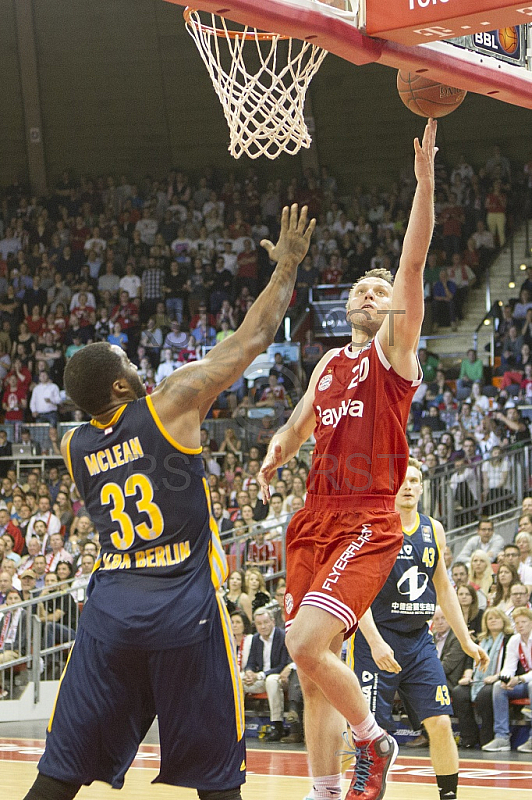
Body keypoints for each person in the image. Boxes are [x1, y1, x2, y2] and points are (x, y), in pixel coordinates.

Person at [22, 203, 316, 800]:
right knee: (216, 778)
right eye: (128, 361)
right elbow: (254, 337)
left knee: (59, 774)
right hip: (184, 608)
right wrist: (286, 266)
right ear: (121, 385)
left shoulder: (73, 446)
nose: (138, 363)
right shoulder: (170, 402)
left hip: (109, 616)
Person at [258, 120, 439, 800]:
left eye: (380, 291)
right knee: (309, 672)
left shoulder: (394, 355)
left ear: (393, 309)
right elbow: (301, 422)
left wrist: (423, 187)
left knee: (307, 643)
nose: (371, 294)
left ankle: (374, 737)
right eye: (361, 290)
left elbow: (413, 263)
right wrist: (280, 446)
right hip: (312, 517)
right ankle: (326, 792)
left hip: (367, 518)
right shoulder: (331, 362)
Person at [353, 460, 487, 800]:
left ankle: (449, 796)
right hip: (377, 639)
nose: (408, 486)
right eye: (402, 481)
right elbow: (357, 593)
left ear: (423, 487)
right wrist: (375, 641)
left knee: (441, 722)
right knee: (369, 733)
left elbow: (444, 587)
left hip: (418, 641)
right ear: (391, 487)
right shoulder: (374, 526)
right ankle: (359, 792)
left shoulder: (434, 530)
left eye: (415, 480)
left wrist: (466, 640)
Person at [452, 607, 514, 749]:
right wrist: (467, 675)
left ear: (504, 621)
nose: (493, 621)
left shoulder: (509, 639)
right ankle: (469, 736)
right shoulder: (480, 641)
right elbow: (470, 660)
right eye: (489, 618)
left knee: (484, 694)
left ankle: (487, 737)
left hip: (499, 679)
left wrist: (496, 677)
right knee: (459, 692)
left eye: (496, 618)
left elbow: (510, 664)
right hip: (478, 679)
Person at [482, 606, 532, 752]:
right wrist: (506, 679)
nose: (520, 625)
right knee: (498, 687)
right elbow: (509, 667)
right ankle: (501, 737)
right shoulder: (515, 640)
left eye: (524, 621)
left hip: (527, 682)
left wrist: (519, 679)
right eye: (517, 622)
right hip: (523, 682)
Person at [241, 606, 292, 742]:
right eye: (259, 624)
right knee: (238, 679)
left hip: (278, 678)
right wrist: (249, 672)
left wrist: (260, 675)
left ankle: (277, 725)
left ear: (273, 622)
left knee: (271, 680)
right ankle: (235, 721)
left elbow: (282, 665)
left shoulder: (282, 636)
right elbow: (251, 662)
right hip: (261, 677)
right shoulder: (256, 639)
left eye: (265, 622)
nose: (263, 626)